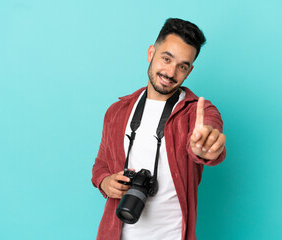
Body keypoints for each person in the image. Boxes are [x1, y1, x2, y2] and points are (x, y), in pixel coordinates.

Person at [92, 18, 226, 240]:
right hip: (116, 233)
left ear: (189, 71)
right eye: (166, 58)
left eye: (182, 66)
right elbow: (100, 165)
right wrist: (104, 182)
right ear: (151, 53)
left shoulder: (198, 112)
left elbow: (209, 138)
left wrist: (206, 150)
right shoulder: (116, 111)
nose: (171, 72)